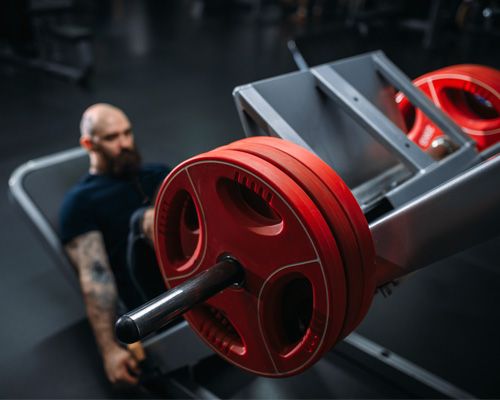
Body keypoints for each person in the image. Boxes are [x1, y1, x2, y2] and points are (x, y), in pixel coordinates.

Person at [60, 103, 170, 386]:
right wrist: (109, 349)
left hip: (199, 273)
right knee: (144, 219)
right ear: (89, 144)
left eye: (127, 133)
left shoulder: (157, 173)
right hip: (155, 302)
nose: (125, 144)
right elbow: (96, 276)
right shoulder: (80, 202)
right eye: (112, 137)